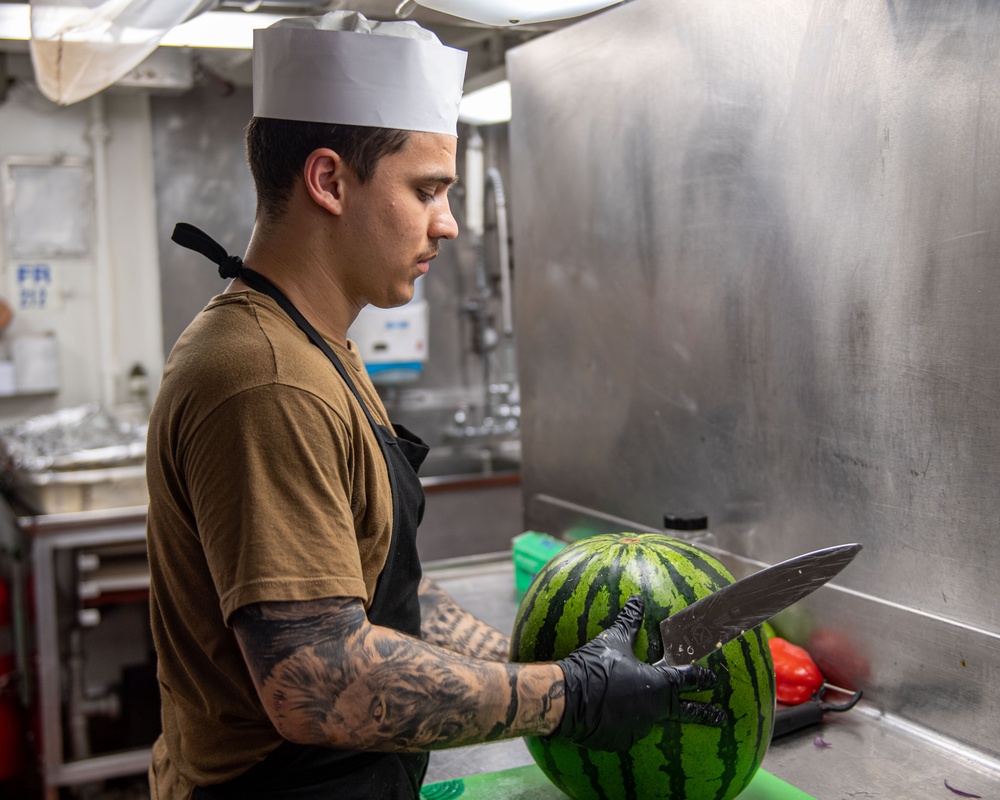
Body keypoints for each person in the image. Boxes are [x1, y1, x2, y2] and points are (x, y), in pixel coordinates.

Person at [145, 11, 727, 800]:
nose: (447, 224)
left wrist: (546, 660)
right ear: (328, 181)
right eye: (426, 191)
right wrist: (567, 696)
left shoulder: (312, 344)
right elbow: (315, 682)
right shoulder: (267, 377)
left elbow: (382, 580)